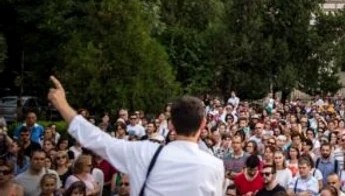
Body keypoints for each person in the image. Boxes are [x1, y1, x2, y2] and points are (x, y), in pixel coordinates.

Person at [47, 75, 225, 196]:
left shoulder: (143, 152)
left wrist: (62, 104)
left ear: (171, 124)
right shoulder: (215, 166)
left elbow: (99, 140)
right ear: (203, 125)